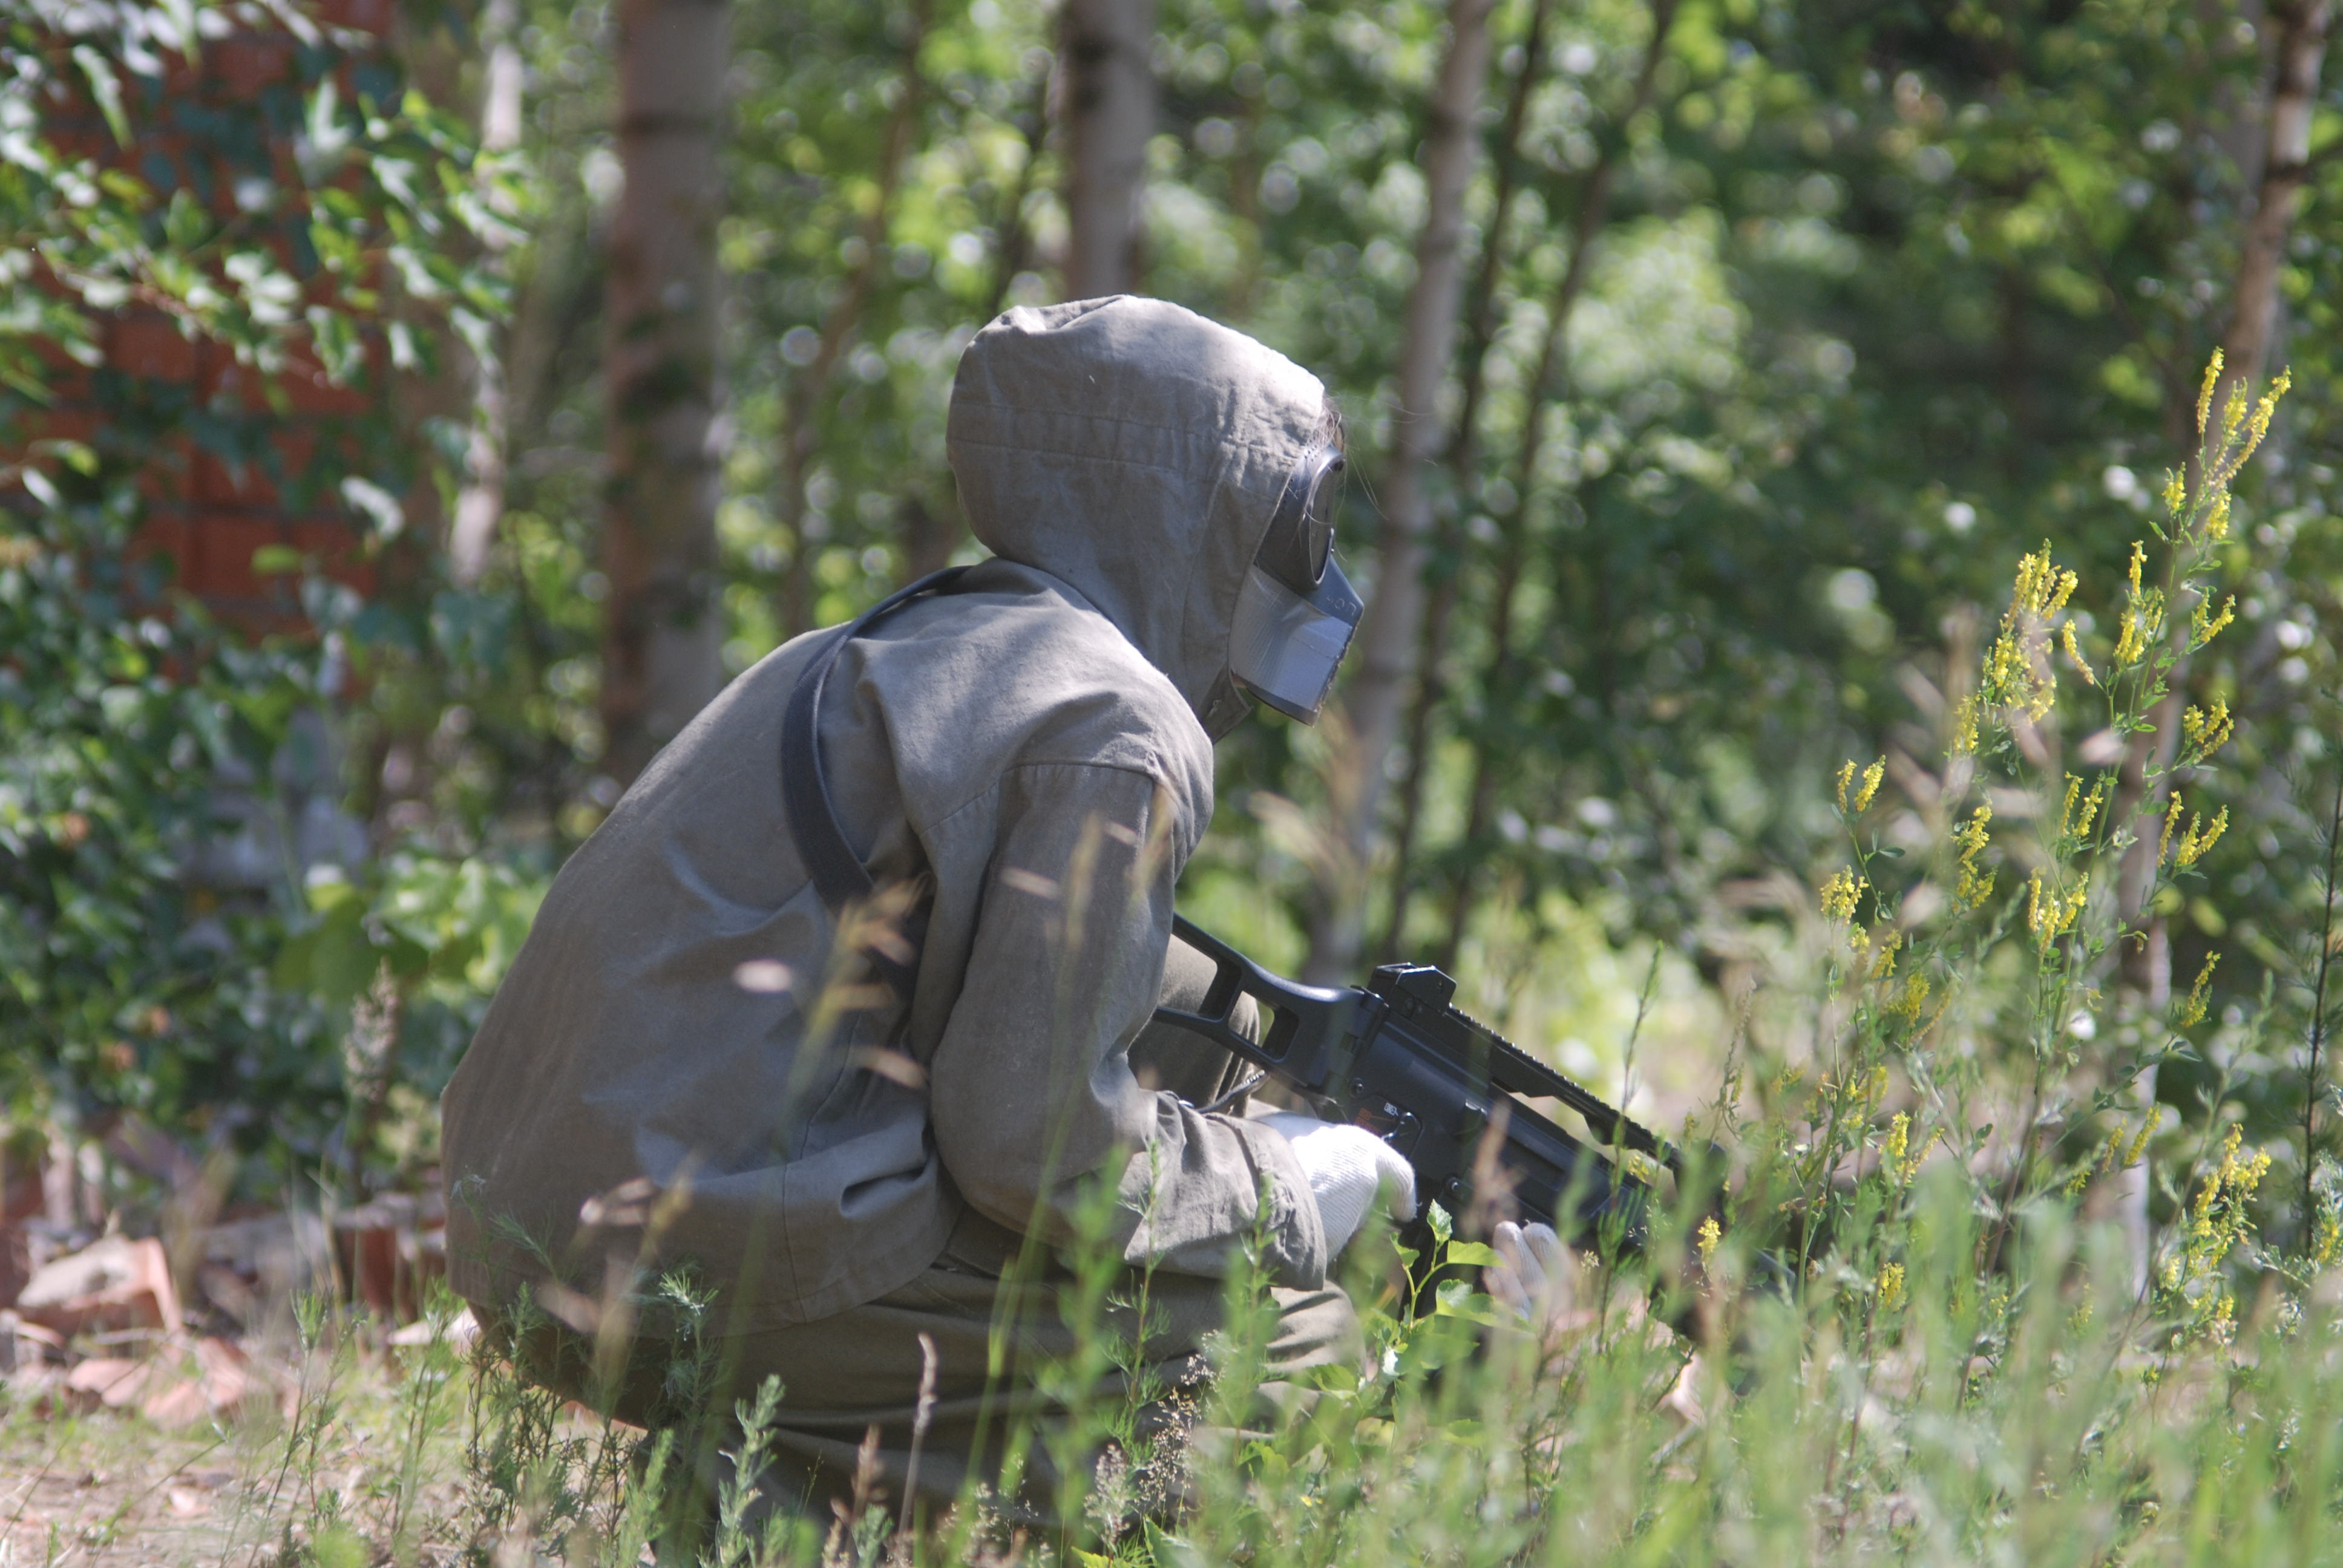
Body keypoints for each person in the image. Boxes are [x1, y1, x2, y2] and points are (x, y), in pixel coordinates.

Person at [440, 296, 1436, 1520]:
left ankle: (778, 1463)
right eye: (1288, 519)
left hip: (524, 1237)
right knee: (1297, 1333)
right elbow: (1033, 1151)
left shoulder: (874, 646)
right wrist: (1293, 1187)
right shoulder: (1116, 721)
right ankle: (790, 1494)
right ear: (1199, 510)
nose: (1305, 570)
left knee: (1196, 1015)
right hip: (698, 1266)